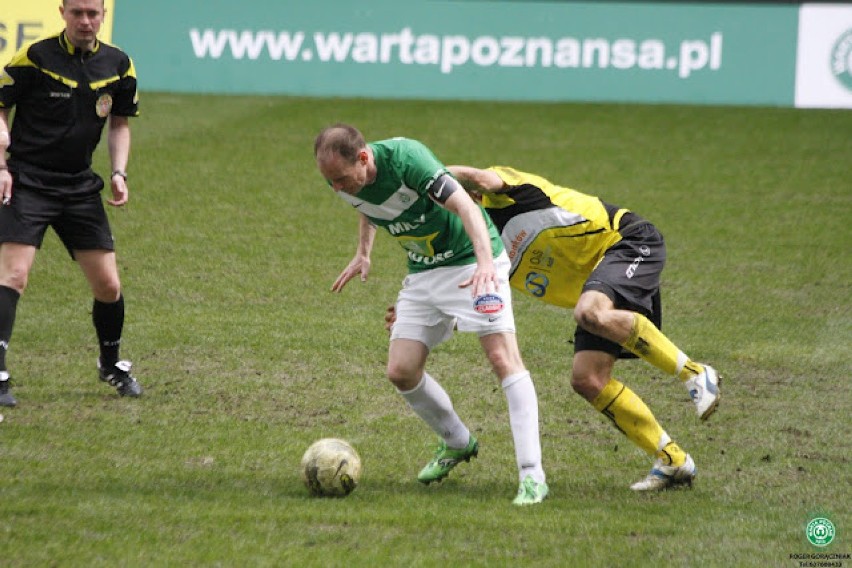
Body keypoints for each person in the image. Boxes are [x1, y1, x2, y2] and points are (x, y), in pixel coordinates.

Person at [387, 165, 721, 491]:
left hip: (626, 242)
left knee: (589, 312)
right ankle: (673, 460)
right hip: (596, 284)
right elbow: (471, 301)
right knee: (588, 380)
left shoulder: (502, 193)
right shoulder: (481, 248)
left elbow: (476, 176)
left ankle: (695, 372)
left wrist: (426, 171)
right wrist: (415, 316)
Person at [314, 124, 548, 505]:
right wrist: (363, 251)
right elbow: (368, 205)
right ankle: (457, 442)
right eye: (331, 182)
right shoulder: (343, 181)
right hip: (424, 271)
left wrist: (487, 264)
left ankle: (532, 475)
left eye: (341, 179)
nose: (337, 189)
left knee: (503, 358)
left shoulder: (408, 160)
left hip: (473, 259)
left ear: (364, 157)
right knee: (401, 370)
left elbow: (466, 207)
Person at [0, 0, 143, 408]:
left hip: (80, 186)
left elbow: (119, 124)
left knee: (108, 284)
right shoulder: (34, 58)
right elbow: (0, 105)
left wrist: (119, 173)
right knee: (14, 275)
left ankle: (111, 365)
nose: (85, 21)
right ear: (62, 12)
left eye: (93, 13)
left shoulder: (118, 65)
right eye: (77, 12)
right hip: (28, 180)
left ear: (102, 15)